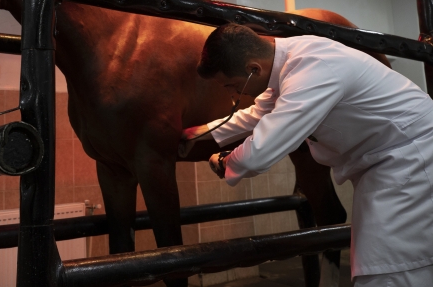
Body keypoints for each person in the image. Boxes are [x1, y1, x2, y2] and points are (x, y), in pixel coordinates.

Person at [180, 23, 433, 286]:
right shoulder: (290, 62)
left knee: (386, 270)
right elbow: (257, 114)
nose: (235, 94)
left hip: (412, 158)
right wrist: (198, 132)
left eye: (232, 85)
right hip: (391, 160)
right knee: (397, 263)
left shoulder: (312, 68)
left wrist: (224, 161)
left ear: (252, 69)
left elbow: (260, 152)